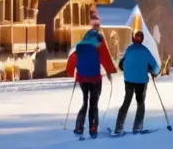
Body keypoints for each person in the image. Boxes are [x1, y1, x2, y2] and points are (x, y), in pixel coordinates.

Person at [66, 8, 117, 138]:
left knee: (85, 102)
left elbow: (73, 57)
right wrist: (110, 72)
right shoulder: (99, 41)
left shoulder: (82, 42)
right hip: (94, 78)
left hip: (82, 78)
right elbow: (105, 57)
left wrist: (71, 72)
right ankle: (93, 128)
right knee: (93, 103)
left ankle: (79, 126)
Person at [114, 31, 161, 134]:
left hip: (129, 80)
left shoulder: (129, 49)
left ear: (134, 39)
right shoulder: (145, 51)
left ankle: (118, 127)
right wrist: (153, 72)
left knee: (126, 102)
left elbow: (121, 65)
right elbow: (156, 68)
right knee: (140, 103)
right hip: (141, 81)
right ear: (142, 39)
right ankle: (137, 127)